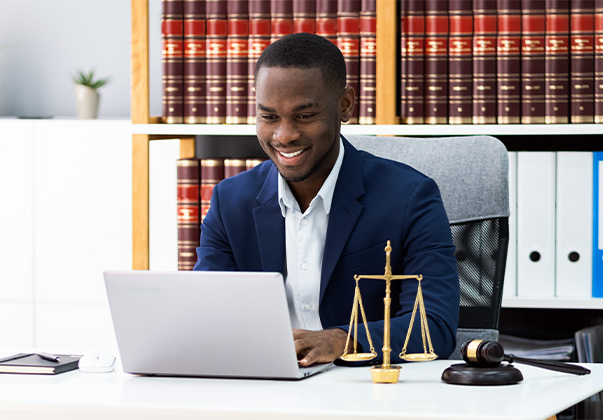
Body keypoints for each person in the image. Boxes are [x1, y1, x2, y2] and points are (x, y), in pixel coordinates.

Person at [194, 33, 459, 367]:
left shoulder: (410, 198)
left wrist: (342, 340)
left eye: (304, 116)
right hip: (264, 388)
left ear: (345, 105)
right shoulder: (230, 202)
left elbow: (436, 326)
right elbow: (207, 318)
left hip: (367, 390)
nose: (284, 135)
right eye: (269, 116)